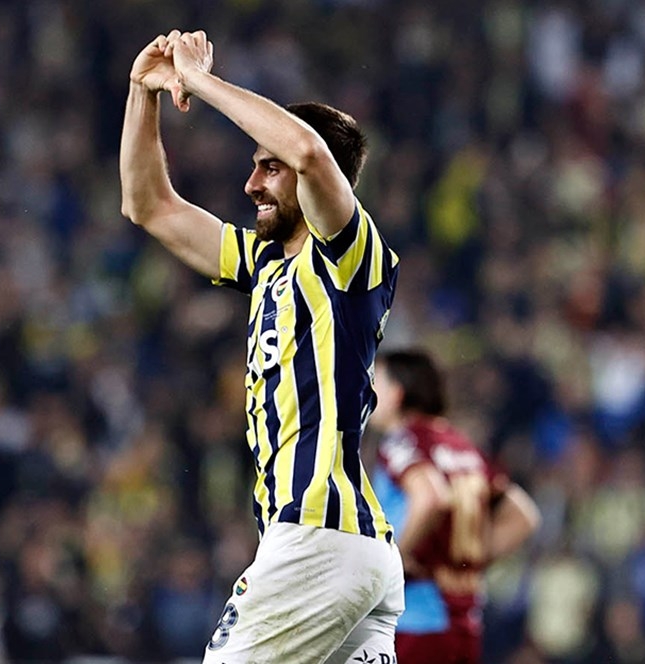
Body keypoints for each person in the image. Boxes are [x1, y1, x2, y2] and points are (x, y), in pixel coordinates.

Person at [120, 29, 404, 663]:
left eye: (267, 167)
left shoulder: (351, 259)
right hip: (351, 551)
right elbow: (149, 206)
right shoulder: (265, 263)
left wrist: (200, 81)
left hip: (316, 539)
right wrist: (144, 93)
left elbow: (308, 152)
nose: (251, 184)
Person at [369, 349, 541, 664]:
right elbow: (523, 517)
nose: (367, 390)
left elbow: (430, 497)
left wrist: (395, 560)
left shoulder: (403, 442)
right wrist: (464, 564)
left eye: (375, 381)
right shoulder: (461, 447)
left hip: (417, 618)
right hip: (465, 620)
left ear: (397, 393)